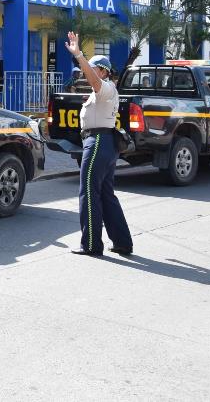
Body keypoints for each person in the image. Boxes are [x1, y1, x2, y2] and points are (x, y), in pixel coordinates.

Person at [65, 32, 131, 256]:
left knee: (89, 193)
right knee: (105, 193)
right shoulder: (103, 91)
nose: (88, 73)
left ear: (103, 71)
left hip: (99, 142)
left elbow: (93, 80)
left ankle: (91, 244)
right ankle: (122, 241)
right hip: (104, 143)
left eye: (94, 69)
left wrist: (79, 55)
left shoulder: (105, 87)